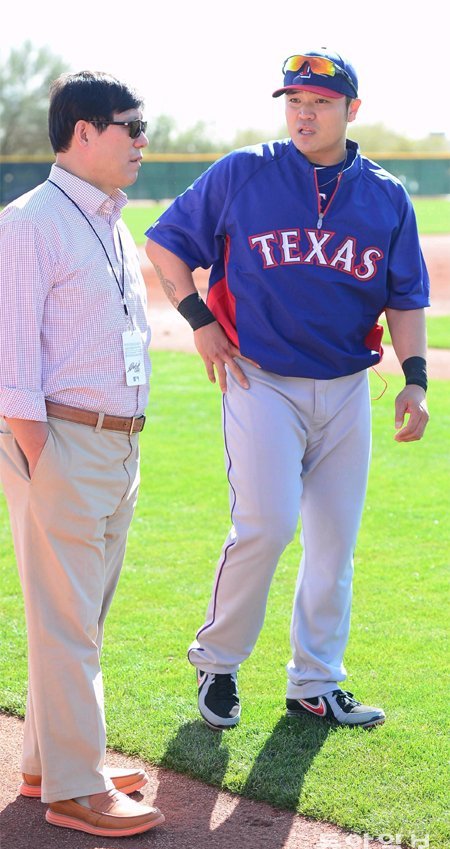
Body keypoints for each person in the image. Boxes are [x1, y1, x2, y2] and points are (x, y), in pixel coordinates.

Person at [145, 48, 430, 732]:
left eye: (320, 102)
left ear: (350, 111)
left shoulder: (386, 195)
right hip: (259, 378)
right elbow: (165, 244)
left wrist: (414, 381)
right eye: (294, 101)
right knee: (266, 524)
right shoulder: (245, 171)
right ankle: (217, 660)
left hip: (345, 388)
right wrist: (200, 322)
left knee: (334, 542)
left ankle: (316, 682)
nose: (304, 112)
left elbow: (405, 297)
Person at [0, 71, 165, 836]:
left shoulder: (110, 220)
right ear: (83, 132)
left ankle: (46, 761)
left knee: (77, 618)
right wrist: (44, 453)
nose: (142, 140)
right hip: (63, 438)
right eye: (129, 126)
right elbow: (11, 361)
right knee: (69, 622)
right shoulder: (30, 221)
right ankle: (73, 786)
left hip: (115, 443)